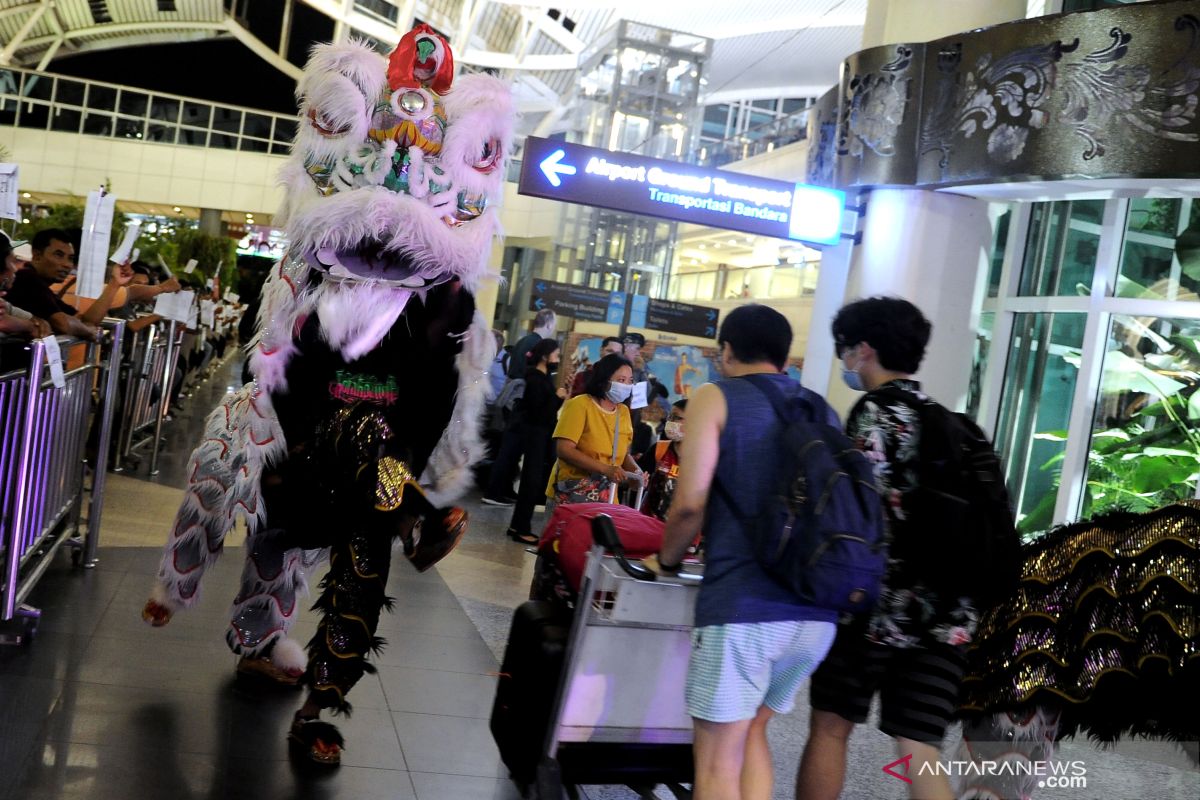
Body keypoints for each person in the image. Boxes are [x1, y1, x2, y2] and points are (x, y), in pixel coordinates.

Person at [647, 304, 838, 800]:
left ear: (726, 350)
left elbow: (689, 504)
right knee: (753, 731)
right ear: (783, 354)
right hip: (816, 611)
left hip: (744, 608)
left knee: (714, 764)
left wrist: (667, 561)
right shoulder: (820, 407)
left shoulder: (715, 397)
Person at [797, 297, 972, 800]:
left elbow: (849, 515)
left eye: (845, 351)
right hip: (946, 613)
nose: (845, 362)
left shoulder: (872, 415)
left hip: (871, 607)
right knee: (919, 746)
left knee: (830, 728)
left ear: (864, 350)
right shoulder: (950, 423)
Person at [546, 352, 645, 505]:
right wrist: (604, 469)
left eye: (630, 381)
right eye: (621, 380)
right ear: (604, 380)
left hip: (607, 496)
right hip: (572, 493)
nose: (626, 386)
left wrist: (636, 472)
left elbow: (622, 453)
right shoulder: (580, 405)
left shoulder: (623, 412)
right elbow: (564, 450)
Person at [5, 228, 130, 340]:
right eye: (59, 255)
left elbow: (85, 321)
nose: (67, 264)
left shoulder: (41, 286)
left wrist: (115, 283)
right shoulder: (26, 278)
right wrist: (88, 332)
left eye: (70, 258)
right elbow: (63, 324)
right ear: (37, 255)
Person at [506, 338, 566, 544]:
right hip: (535, 434)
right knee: (531, 481)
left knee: (531, 481)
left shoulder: (542, 377)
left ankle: (517, 524)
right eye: (556, 355)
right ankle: (522, 528)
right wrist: (558, 398)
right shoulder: (536, 379)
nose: (557, 359)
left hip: (538, 433)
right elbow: (540, 411)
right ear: (545, 356)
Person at [640, 399, 686, 521]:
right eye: (669, 416)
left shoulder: (704, 458)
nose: (669, 421)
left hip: (684, 531)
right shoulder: (659, 449)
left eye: (676, 417)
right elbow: (637, 482)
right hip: (650, 524)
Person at [507, 308, 556, 379]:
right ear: (549, 325)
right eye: (554, 325)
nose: (554, 329)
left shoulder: (521, 341)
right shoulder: (540, 346)